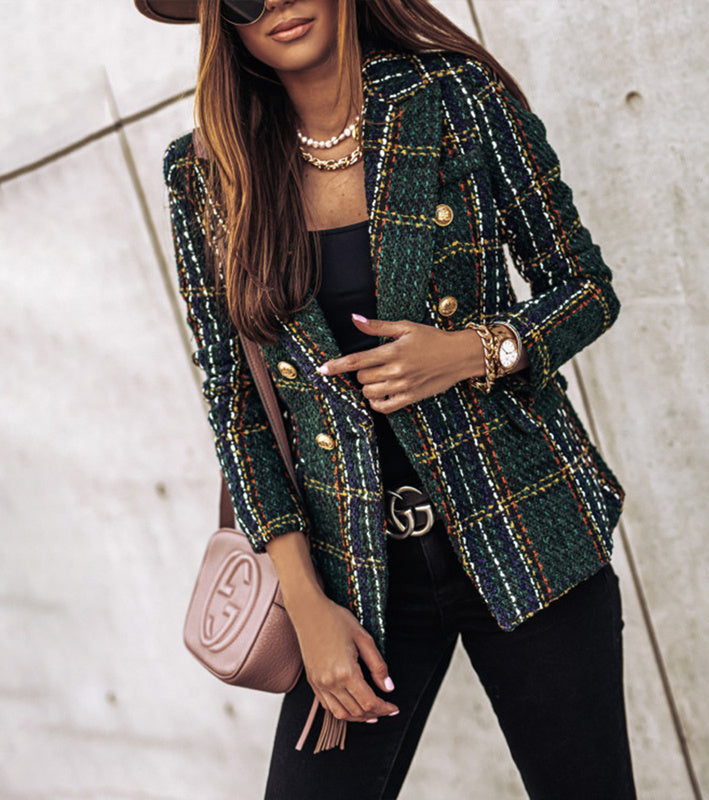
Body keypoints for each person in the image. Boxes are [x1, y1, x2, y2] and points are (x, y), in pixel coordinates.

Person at [138, 0, 637, 796]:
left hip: (524, 529)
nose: (276, 6)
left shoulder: (455, 98)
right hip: (355, 578)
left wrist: (471, 351)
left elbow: (584, 288)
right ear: (219, 22)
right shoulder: (205, 173)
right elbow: (235, 406)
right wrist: (304, 605)